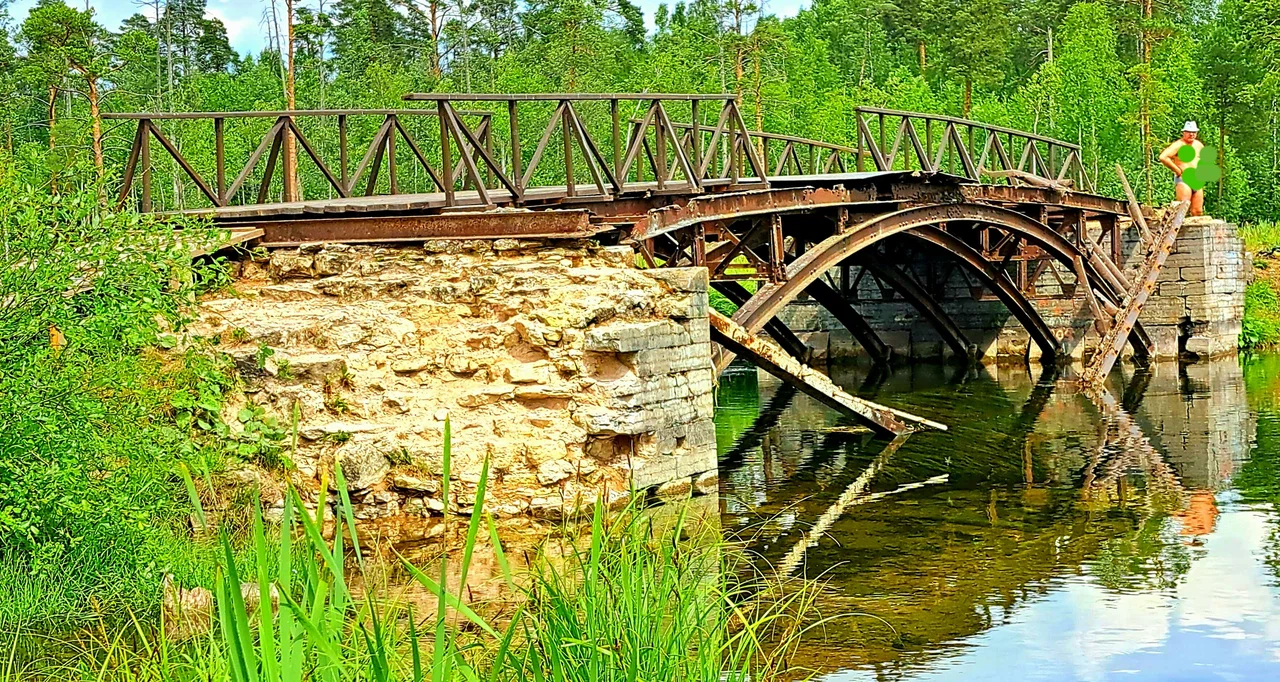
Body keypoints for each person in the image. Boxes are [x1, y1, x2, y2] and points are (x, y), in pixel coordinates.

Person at [1158, 121, 1206, 216]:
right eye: (1189, 132)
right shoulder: (1178, 145)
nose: (1191, 134)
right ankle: (1177, 229)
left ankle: (1195, 230)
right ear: (1184, 132)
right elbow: (1163, 157)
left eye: (1194, 132)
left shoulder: (1199, 145)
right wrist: (1177, 170)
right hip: (1184, 179)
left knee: (1198, 211)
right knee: (1182, 209)